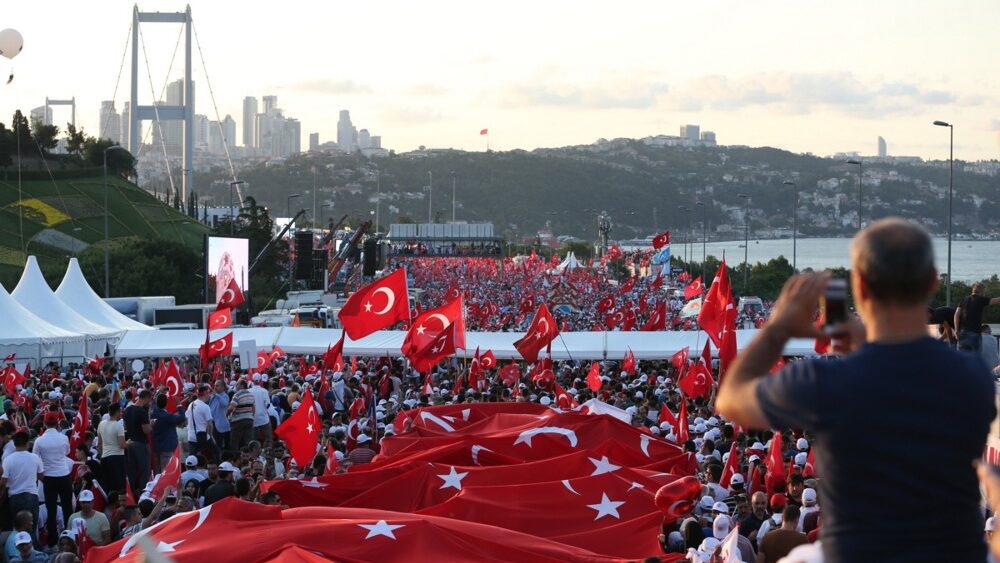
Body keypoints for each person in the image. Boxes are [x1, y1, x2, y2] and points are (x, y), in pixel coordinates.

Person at [718, 218, 996, 561]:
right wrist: (863, 338)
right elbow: (903, 369)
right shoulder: (974, 378)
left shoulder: (824, 381)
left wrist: (778, 330)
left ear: (860, 287)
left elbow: (731, 398)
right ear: (932, 283)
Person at [33, 412, 73, 550]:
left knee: (51, 510)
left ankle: (52, 542)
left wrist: (41, 476)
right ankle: (70, 538)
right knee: (67, 508)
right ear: (57, 423)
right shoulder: (63, 438)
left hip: (49, 477)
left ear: (44, 424)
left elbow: (35, 459)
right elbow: (67, 452)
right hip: (64, 475)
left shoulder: (39, 440)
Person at [1, 431, 42, 540]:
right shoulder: (35, 458)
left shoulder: (8, 459)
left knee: (17, 528)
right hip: (32, 495)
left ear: (14, 444)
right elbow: (41, 476)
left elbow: (3, 481)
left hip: (15, 497)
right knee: (32, 527)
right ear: (27, 443)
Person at [954, 283, 1000, 353]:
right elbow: (997, 300)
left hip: (963, 333)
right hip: (975, 334)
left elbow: (956, 315)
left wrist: (956, 330)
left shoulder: (964, 299)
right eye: (984, 292)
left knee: (962, 360)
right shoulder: (980, 299)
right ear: (981, 291)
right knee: (975, 360)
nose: (985, 294)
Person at [123, 390, 152, 493]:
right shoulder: (141, 412)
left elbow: (125, 426)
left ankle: (130, 494)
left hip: (130, 443)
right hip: (141, 443)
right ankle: (143, 494)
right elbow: (146, 430)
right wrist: (151, 424)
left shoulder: (128, 409)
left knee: (132, 471)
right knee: (145, 471)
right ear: (147, 398)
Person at [150, 393, 185, 474]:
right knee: (165, 473)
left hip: (156, 447)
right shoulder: (167, 417)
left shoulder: (152, 412)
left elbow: (153, 404)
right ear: (166, 403)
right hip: (167, 448)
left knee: (158, 474)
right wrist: (179, 405)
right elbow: (182, 417)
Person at [96, 403, 126, 493]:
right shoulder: (118, 425)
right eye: (120, 412)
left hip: (105, 458)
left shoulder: (101, 424)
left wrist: (101, 457)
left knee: (108, 485)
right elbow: (122, 445)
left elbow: (100, 443)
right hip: (117, 458)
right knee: (119, 486)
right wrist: (128, 444)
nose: (121, 414)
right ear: (117, 412)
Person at [187, 385, 218, 461]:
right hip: (203, 436)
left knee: (192, 459)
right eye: (208, 393)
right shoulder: (205, 406)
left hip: (191, 436)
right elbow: (210, 424)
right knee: (216, 454)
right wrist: (211, 436)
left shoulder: (190, 405)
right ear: (205, 393)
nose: (209, 395)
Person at [227, 379, 256, 451]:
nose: (236, 387)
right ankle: (249, 457)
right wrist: (251, 416)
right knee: (248, 441)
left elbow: (231, 408)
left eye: (237, 385)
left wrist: (226, 414)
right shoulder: (251, 395)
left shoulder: (237, 395)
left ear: (242, 386)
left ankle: (235, 458)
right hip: (249, 420)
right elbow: (253, 407)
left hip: (238, 420)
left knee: (234, 442)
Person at [249, 378, 273, 447]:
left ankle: (255, 454)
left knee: (254, 440)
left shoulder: (248, 391)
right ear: (260, 382)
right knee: (268, 439)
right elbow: (267, 404)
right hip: (264, 418)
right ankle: (268, 451)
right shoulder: (264, 391)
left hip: (253, 418)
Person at [208, 380, 231, 452]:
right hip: (212, 423)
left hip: (219, 425)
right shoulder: (212, 396)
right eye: (214, 385)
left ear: (223, 387)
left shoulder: (225, 396)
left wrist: (216, 395)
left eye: (217, 385)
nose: (215, 387)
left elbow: (224, 404)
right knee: (213, 445)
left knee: (219, 444)